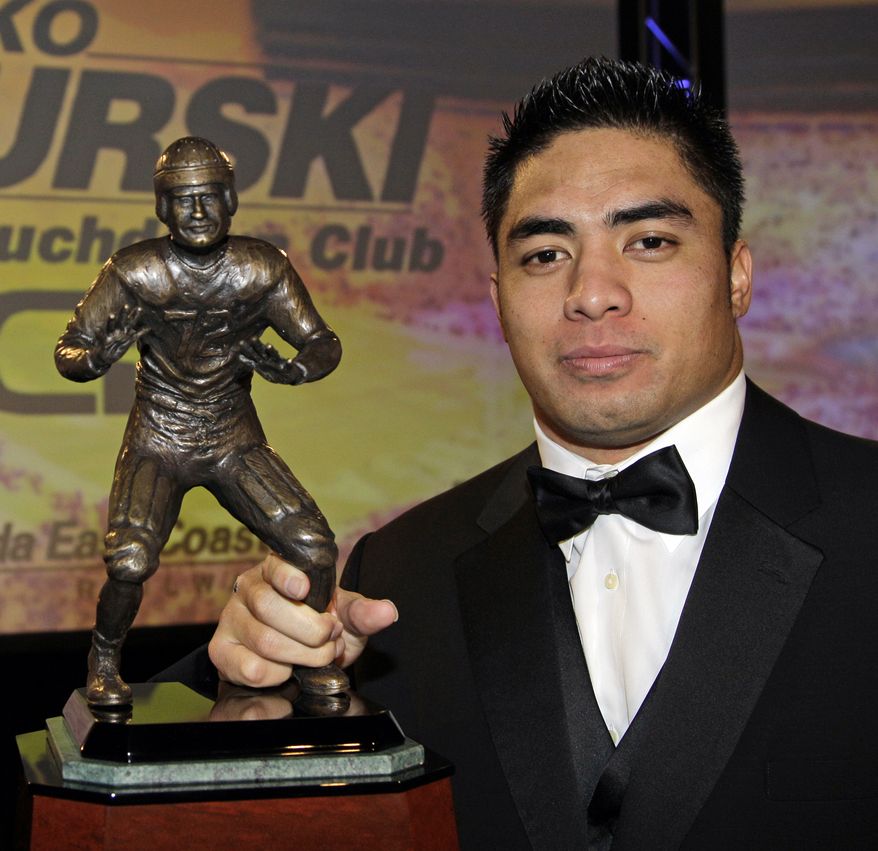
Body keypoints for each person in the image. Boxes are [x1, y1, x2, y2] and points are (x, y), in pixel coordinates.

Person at [171, 61, 878, 848]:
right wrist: (243, 691)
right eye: (545, 254)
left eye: (648, 240)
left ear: (737, 274)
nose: (593, 291)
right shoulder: (393, 580)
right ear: (499, 295)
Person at [56, 137, 347, 706]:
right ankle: (105, 655)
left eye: (208, 197)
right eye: (181, 199)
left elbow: (321, 341)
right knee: (131, 560)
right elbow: (72, 347)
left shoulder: (261, 267)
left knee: (313, 547)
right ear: (162, 208)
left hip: (231, 436)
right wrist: (94, 358)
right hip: (159, 436)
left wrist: (295, 369)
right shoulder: (135, 270)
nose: (195, 212)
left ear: (231, 200)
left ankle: (313, 658)